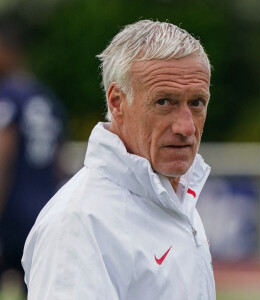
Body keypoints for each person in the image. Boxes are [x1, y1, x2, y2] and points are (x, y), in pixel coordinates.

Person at [22, 20, 215, 300]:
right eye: (164, 102)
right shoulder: (79, 223)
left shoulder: (175, 195)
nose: (186, 126)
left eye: (196, 103)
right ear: (116, 102)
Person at [0, 20, 65, 288]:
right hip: (45, 211)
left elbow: (3, 156)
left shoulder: (6, 96)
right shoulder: (47, 97)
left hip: (10, 212)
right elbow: (59, 162)